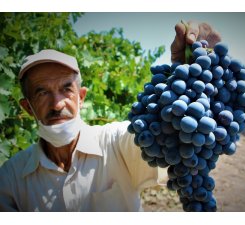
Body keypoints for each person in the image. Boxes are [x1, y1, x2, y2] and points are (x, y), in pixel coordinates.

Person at [0, 21, 221, 212]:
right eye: (42, 92)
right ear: (28, 107)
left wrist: (188, 75)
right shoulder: (10, 179)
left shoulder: (117, 142)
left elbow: (171, 139)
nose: (57, 104)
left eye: (66, 89)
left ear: (81, 97)